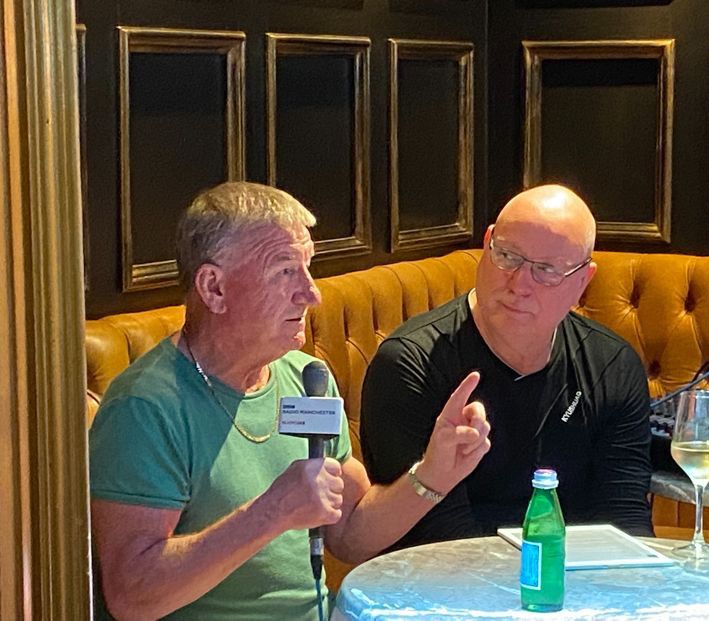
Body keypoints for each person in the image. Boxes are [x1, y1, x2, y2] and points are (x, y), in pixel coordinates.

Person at [88, 181, 490, 620]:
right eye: (284, 271)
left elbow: (349, 533)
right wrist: (272, 512)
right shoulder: (145, 408)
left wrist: (433, 473)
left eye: (307, 268)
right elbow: (132, 597)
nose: (311, 293)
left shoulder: (307, 379)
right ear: (214, 288)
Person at [360, 184, 654, 550]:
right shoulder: (411, 363)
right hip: (446, 573)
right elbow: (438, 537)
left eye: (546, 270)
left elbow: (624, 521)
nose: (519, 283)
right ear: (487, 244)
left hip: (570, 572)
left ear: (583, 280)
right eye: (507, 256)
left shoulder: (612, 365)